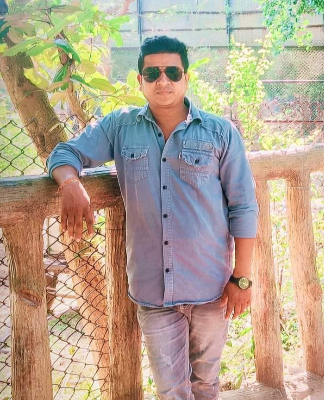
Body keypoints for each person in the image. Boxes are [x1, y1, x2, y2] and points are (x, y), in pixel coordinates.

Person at [47, 35, 258, 400]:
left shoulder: (220, 132)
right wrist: (70, 184)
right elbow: (64, 153)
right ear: (139, 80)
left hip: (211, 287)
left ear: (186, 78)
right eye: (153, 73)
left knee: (206, 384)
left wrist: (242, 278)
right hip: (154, 291)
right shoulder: (120, 127)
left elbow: (243, 205)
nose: (163, 81)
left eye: (172, 72)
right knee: (170, 391)